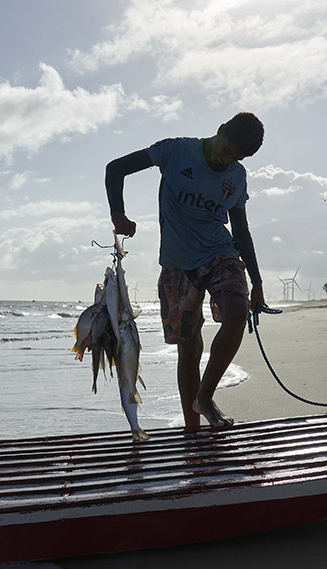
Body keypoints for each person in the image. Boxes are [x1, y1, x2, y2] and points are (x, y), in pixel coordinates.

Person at [105, 112, 266, 430]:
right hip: (178, 263)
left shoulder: (237, 176)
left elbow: (241, 231)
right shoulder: (175, 151)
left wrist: (257, 281)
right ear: (219, 130)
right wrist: (118, 214)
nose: (227, 160)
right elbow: (116, 168)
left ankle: (205, 397)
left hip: (221, 253)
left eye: (236, 157)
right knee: (189, 348)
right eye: (226, 150)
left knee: (236, 311)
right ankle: (193, 429)